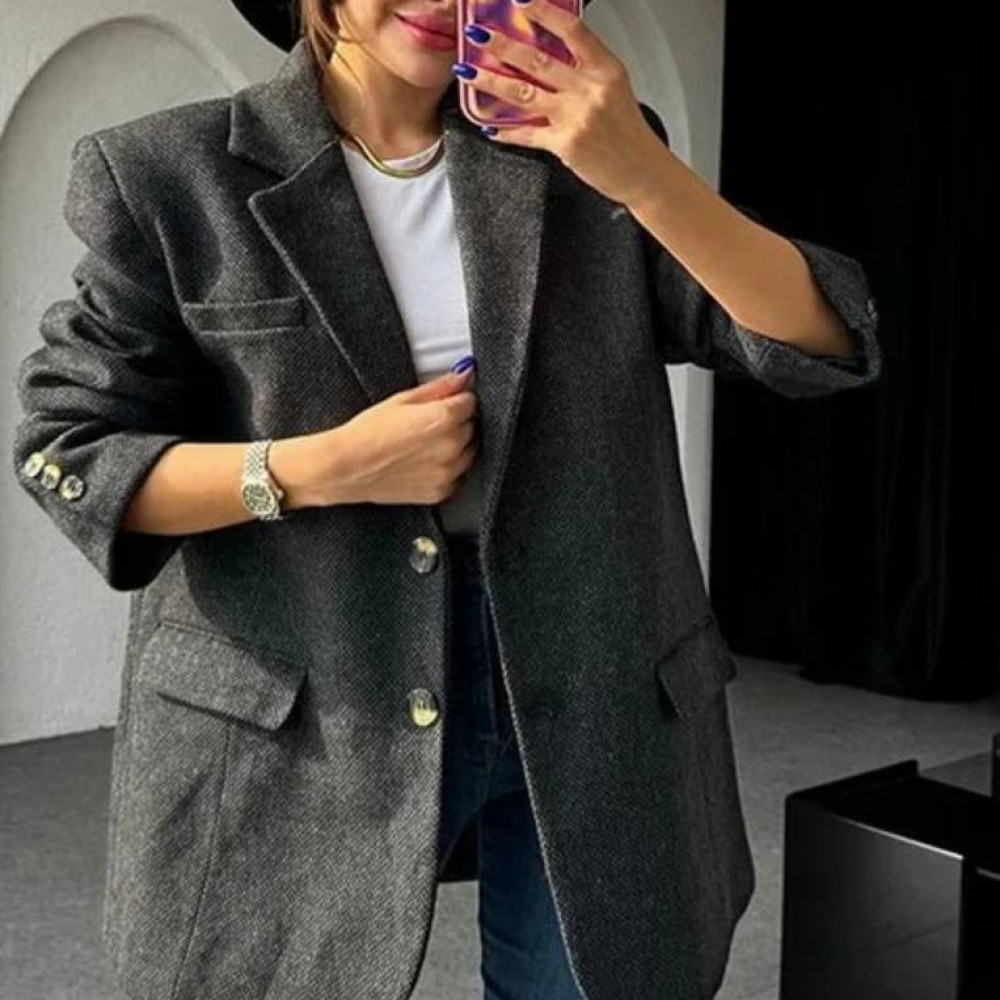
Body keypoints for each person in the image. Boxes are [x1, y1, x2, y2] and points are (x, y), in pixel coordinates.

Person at [11, 2, 882, 998]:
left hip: (595, 678)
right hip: (311, 696)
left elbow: (820, 341)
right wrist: (321, 466)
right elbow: (70, 451)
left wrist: (641, 171)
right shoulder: (172, 174)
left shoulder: (581, 152)